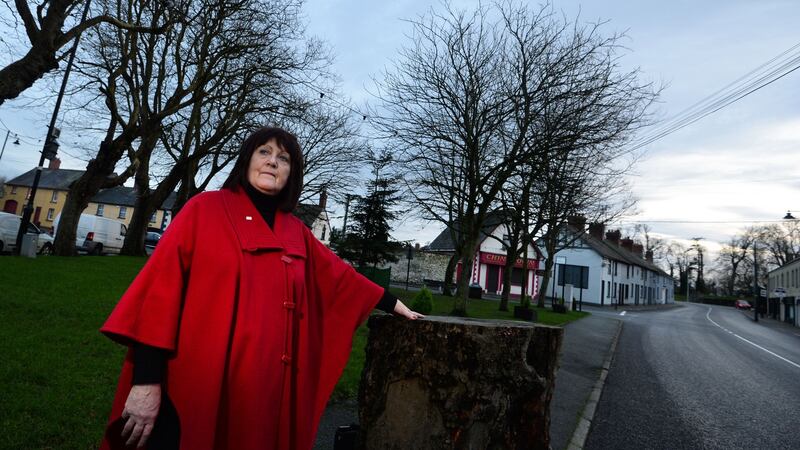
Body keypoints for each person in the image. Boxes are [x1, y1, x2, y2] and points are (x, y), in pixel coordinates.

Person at [100, 126, 423, 450]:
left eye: (283, 158)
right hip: (196, 387)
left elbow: (341, 279)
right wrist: (146, 383)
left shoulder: (296, 231)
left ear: (291, 174)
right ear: (247, 161)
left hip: (263, 398)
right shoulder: (202, 211)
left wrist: (394, 303)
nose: (272, 162)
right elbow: (158, 298)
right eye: (264, 152)